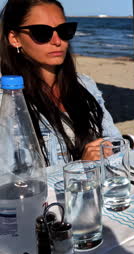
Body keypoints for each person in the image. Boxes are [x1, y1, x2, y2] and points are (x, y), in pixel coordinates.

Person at [0, 0, 121, 167]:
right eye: (42, 32)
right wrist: (81, 167)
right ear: (15, 39)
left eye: (64, 31)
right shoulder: (8, 100)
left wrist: (106, 151)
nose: (57, 41)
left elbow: (114, 140)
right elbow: (11, 177)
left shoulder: (84, 85)